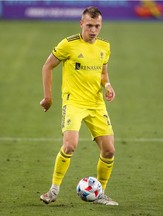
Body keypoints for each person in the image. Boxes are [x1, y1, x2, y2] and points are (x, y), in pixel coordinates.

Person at [39, 6, 118, 206]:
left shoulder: (104, 46)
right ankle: (53, 190)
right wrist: (48, 97)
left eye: (97, 26)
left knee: (109, 150)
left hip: (96, 103)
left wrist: (108, 86)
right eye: (89, 25)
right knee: (70, 145)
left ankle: (100, 193)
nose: (93, 30)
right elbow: (47, 65)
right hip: (73, 102)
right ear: (81, 24)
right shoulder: (68, 44)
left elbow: (102, 74)